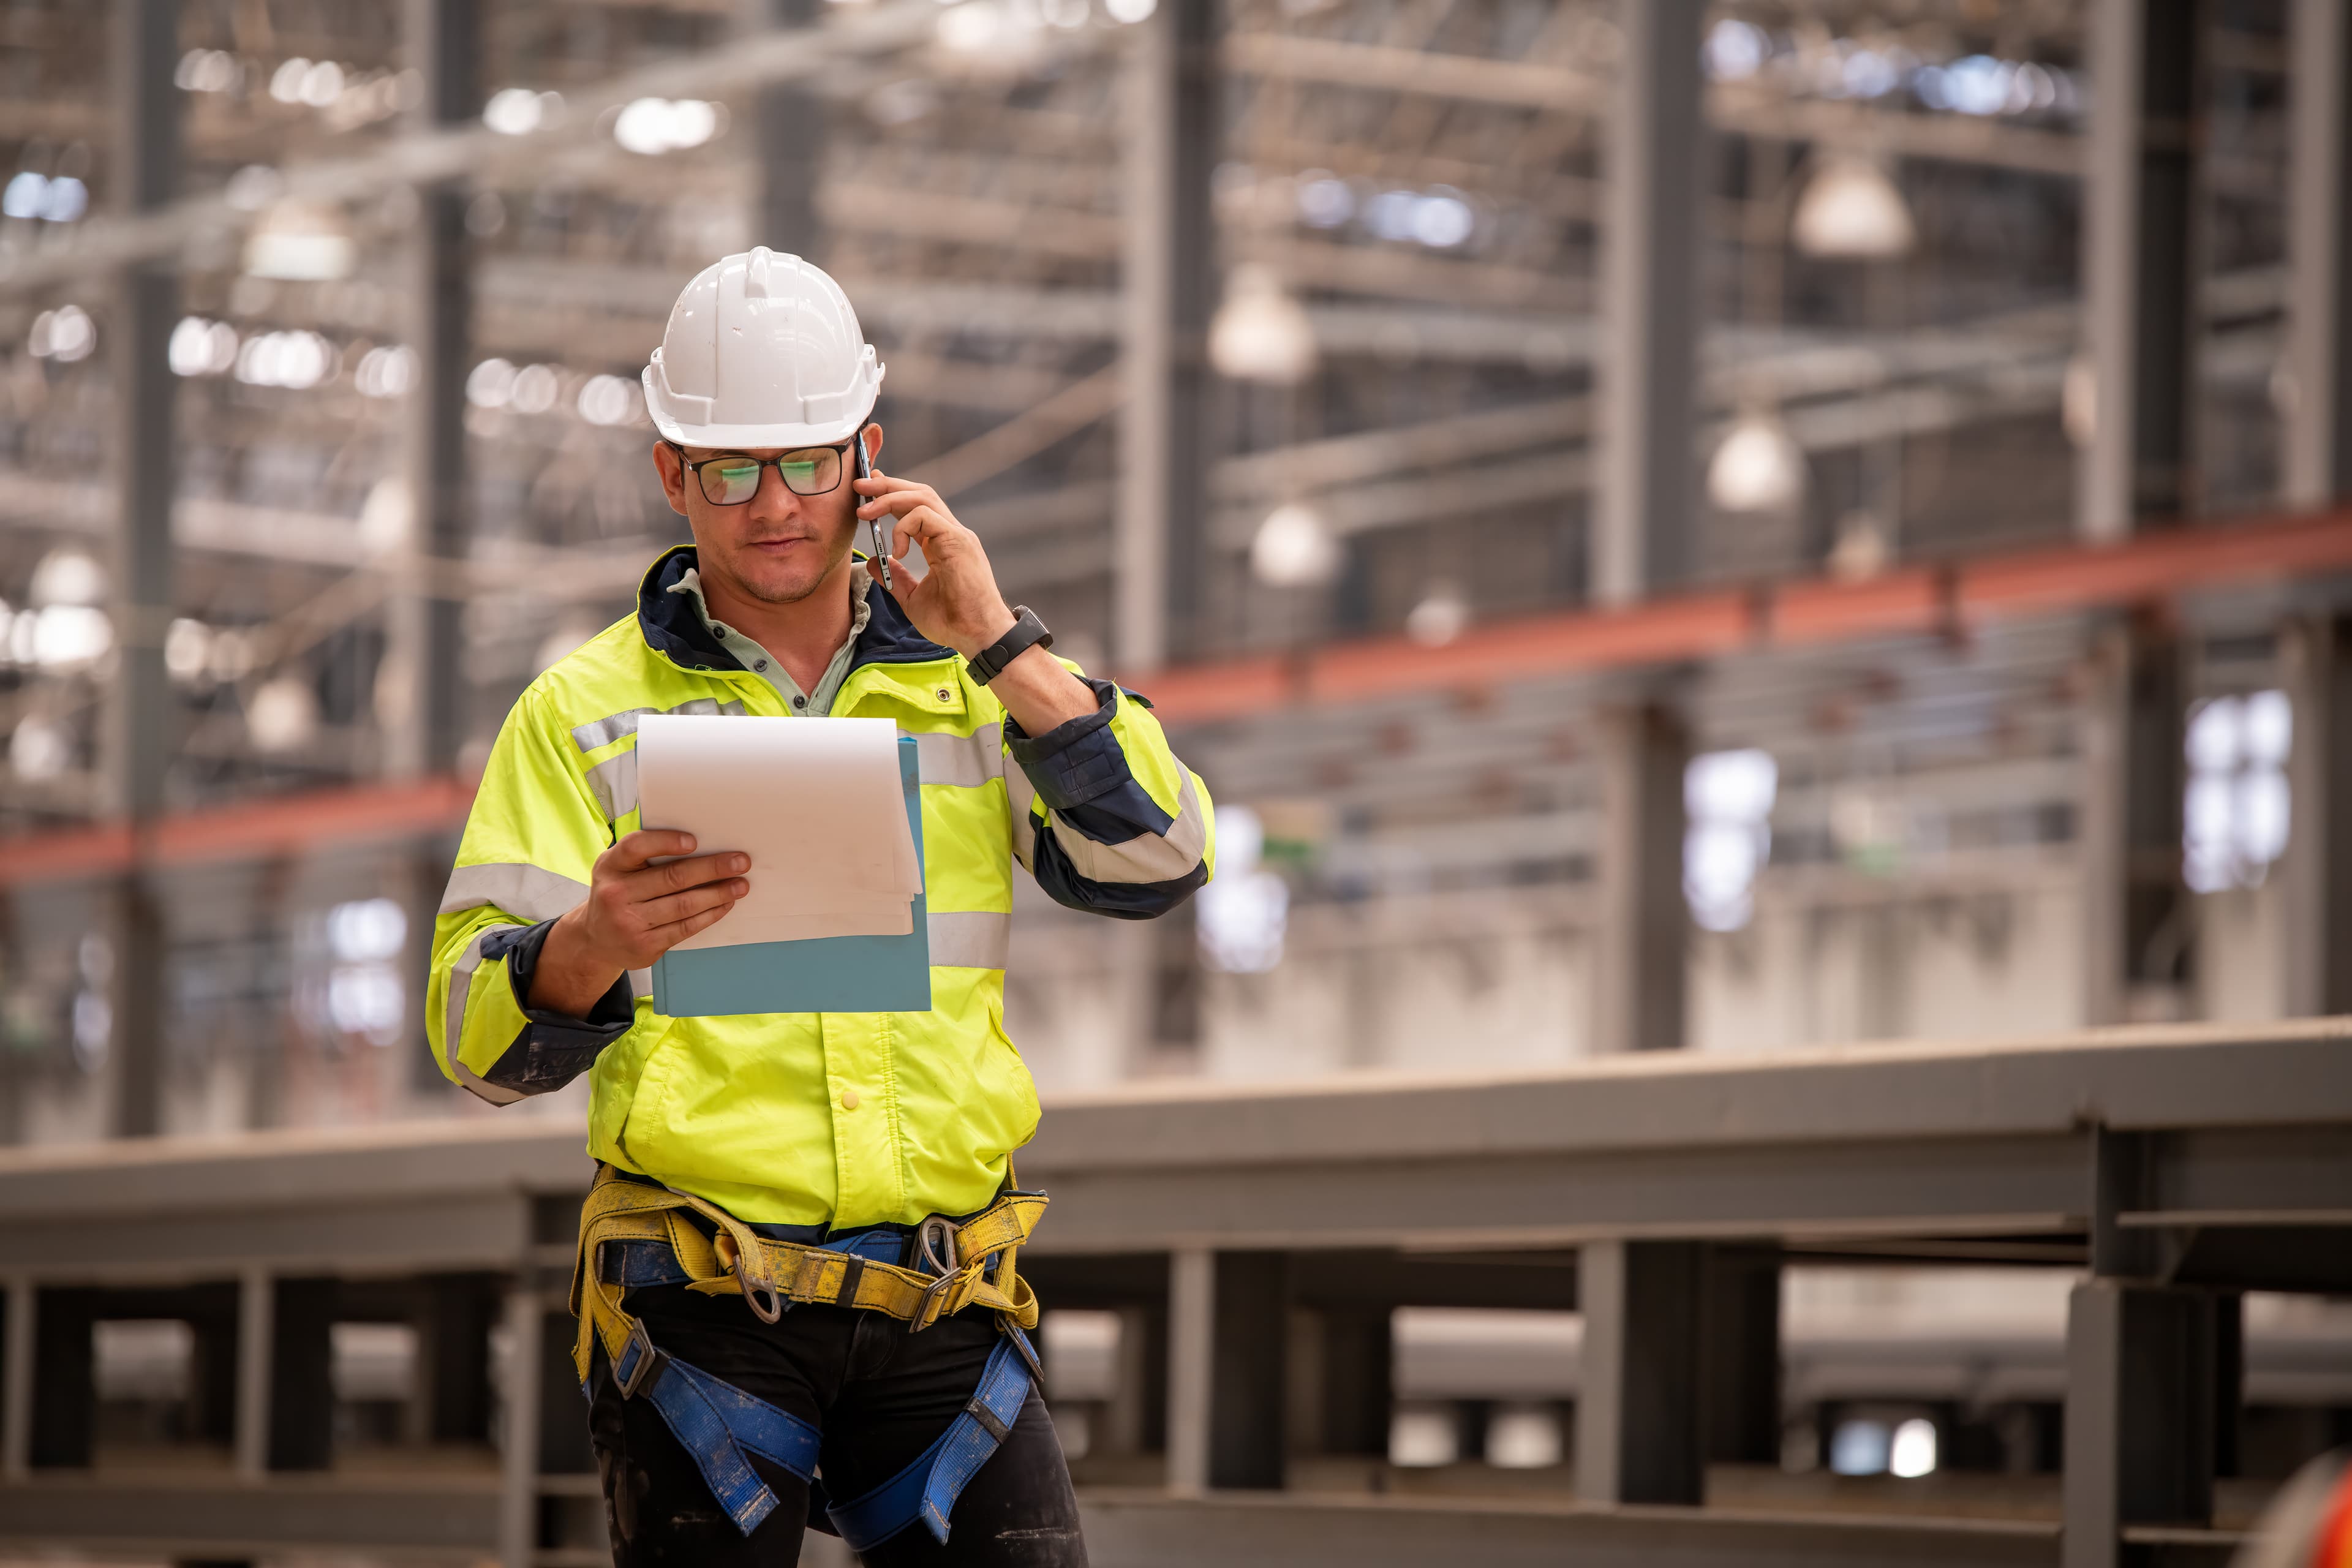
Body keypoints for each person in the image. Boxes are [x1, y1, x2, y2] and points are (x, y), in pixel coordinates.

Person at [428, 248, 1215, 1567]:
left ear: (871, 454)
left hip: (945, 1294)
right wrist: (585, 951)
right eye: (730, 468)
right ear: (673, 473)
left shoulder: (974, 683)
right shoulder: (581, 715)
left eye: (809, 460)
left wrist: (1004, 641)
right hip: (701, 1307)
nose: (777, 504)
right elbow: (468, 1032)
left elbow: (1167, 858)